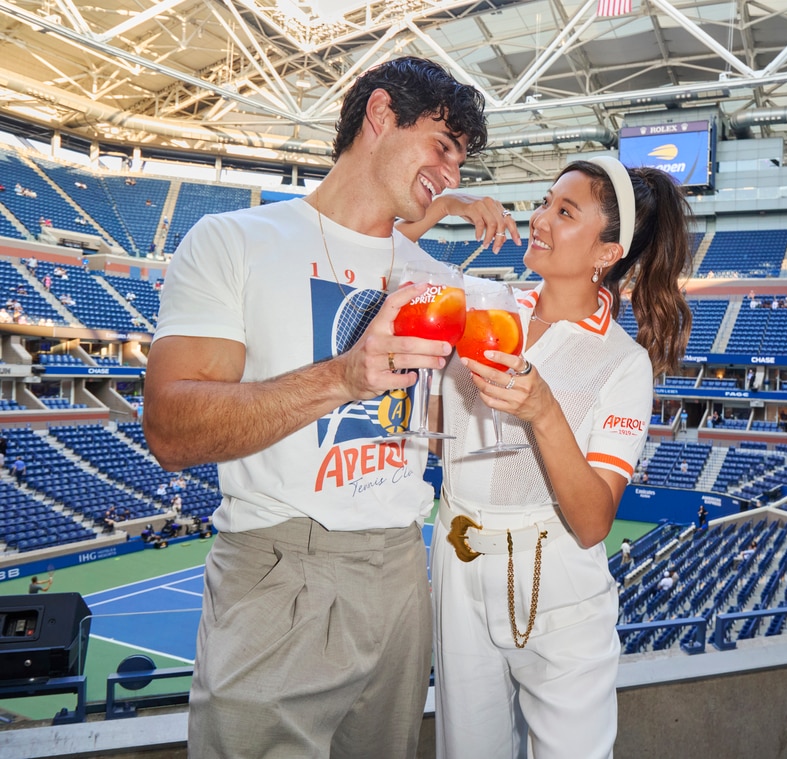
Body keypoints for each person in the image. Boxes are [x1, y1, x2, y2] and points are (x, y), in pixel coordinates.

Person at [142, 57, 491, 759]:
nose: (451, 175)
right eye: (444, 147)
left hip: (399, 570)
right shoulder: (233, 241)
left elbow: (442, 430)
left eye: (461, 165)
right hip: (279, 570)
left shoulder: (437, 280)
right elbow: (170, 429)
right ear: (381, 114)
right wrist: (342, 378)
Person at [424, 157, 694, 759]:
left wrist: (544, 411)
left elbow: (594, 520)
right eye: (545, 202)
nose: (540, 218)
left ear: (607, 252)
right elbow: (439, 427)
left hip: (560, 589)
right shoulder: (488, 307)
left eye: (564, 211)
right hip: (458, 561)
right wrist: (445, 207)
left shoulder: (623, 364)